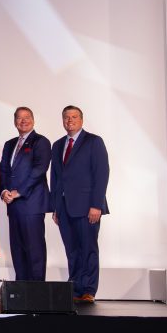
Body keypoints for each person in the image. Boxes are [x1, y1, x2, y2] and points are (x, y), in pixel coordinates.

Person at [50, 105, 109, 304]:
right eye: (66, 117)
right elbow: (55, 178)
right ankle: (75, 288)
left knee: (88, 249)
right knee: (72, 250)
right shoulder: (57, 145)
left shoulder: (94, 141)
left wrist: (96, 205)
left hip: (87, 207)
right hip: (64, 207)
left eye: (74, 117)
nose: (70, 120)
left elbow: (102, 173)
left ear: (81, 120)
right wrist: (55, 207)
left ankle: (89, 289)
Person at [0, 107, 51, 281]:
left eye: (27, 117)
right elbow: (3, 170)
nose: (23, 121)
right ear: (15, 122)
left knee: (34, 250)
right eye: (19, 118)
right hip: (13, 206)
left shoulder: (41, 142)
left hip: (32, 204)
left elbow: (39, 170)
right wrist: (4, 191)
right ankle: (21, 288)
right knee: (18, 249)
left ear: (33, 120)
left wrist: (19, 192)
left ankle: (37, 290)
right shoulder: (9, 144)